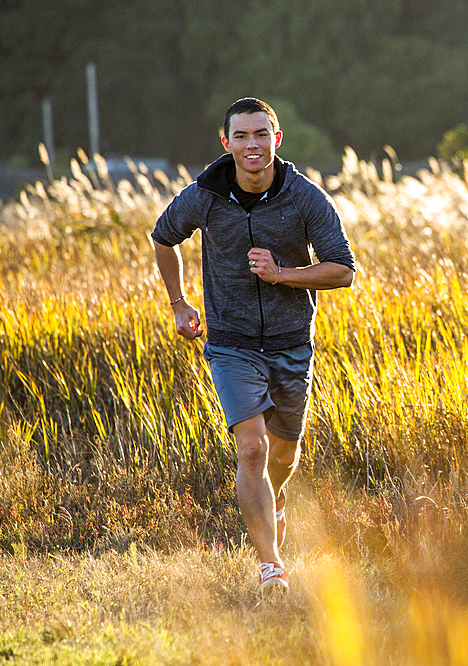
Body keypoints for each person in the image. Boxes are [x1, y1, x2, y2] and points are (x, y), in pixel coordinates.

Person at [151, 97, 355, 594]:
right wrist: (179, 304)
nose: (252, 145)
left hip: (290, 343)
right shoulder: (204, 195)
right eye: (241, 136)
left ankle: (274, 501)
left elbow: (343, 270)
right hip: (230, 343)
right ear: (226, 143)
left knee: (284, 455)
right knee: (252, 448)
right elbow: (163, 238)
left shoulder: (305, 198)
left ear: (276, 140)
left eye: (260, 134)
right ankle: (271, 567)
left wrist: (283, 274)